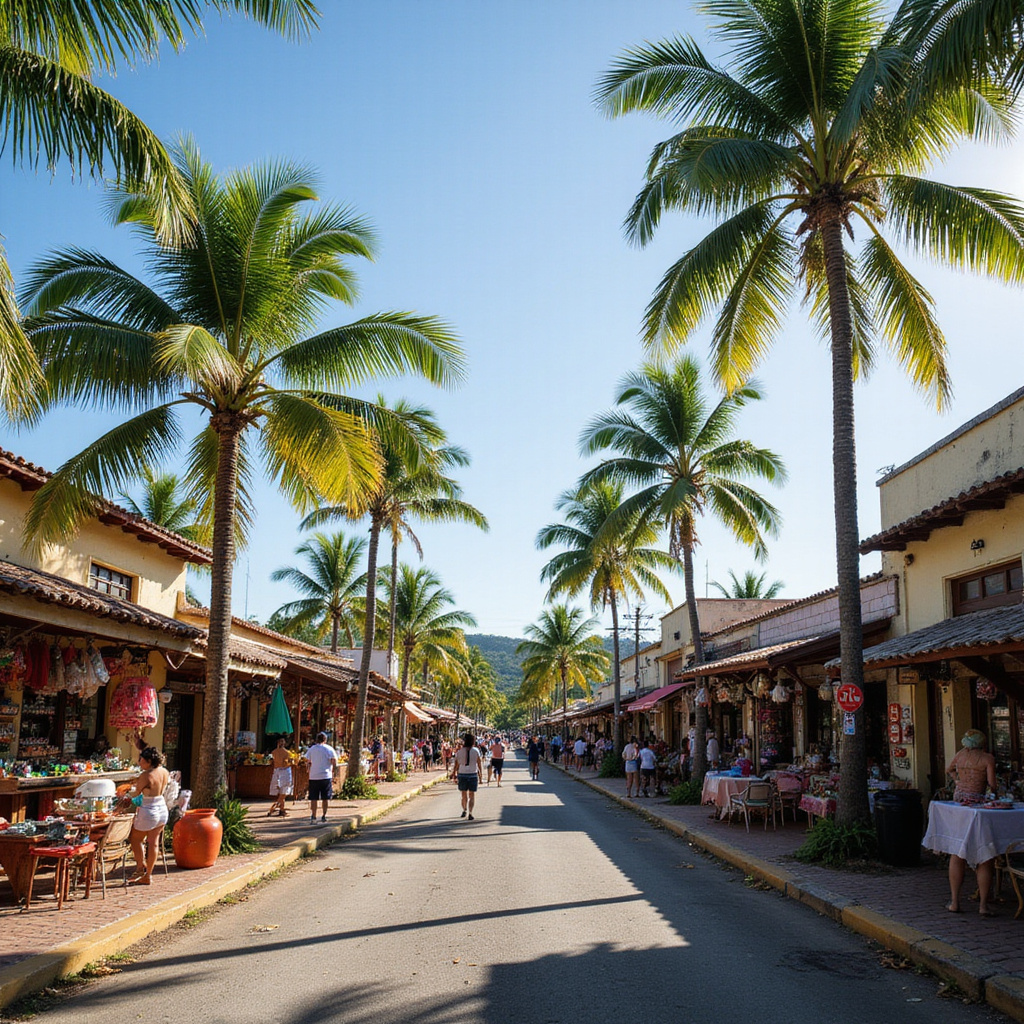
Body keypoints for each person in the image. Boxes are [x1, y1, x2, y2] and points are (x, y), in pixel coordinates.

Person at [945, 729, 999, 916]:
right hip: (978, 801)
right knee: (984, 853)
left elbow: (949, 769)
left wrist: (958, 781)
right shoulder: (987, 759)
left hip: (960, 799)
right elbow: (992, 784)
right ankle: (983, 905)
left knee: (958, 850)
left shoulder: (960, 756)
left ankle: (954, 902)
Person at [119, 746, 169, 886]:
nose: (139, 762)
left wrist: (124, 793)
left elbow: (136, 793)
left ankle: (140, 867)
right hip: (161, 807)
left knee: (135, 839)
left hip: (148, 809)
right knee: (153, 842)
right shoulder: (164, 771)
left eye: (141, 759)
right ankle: (148, 874)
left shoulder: (146, 775)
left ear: (148, 761)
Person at [305, 732, 339, 825]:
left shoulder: (311, 749)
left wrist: (308, 770)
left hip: (314, 776)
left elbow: (307, 761)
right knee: (325, 797)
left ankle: (314, 815)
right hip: (326, 776)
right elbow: (334, 761)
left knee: (314, 798)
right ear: (325, 740)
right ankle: (324, 815)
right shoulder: (329, 749)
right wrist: (335, 773)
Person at [452, 732, 484, 819]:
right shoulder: (476, 751)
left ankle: (464, 809)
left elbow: (456, 765)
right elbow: (479, 763)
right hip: (473, 774)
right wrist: (481, 774)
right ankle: (470, 812)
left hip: (462, 774)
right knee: (472, 795)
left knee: (463, 795)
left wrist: (454, 774)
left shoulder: (459, 752)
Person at [268, 737, 293, 817]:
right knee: (283, 792)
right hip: (285, 772)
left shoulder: (273, 752)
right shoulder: (287, 753)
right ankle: (275, 806)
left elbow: (271, 761)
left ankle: (282, 810)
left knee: (281, 792)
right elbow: (286, 763)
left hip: (276, 772)